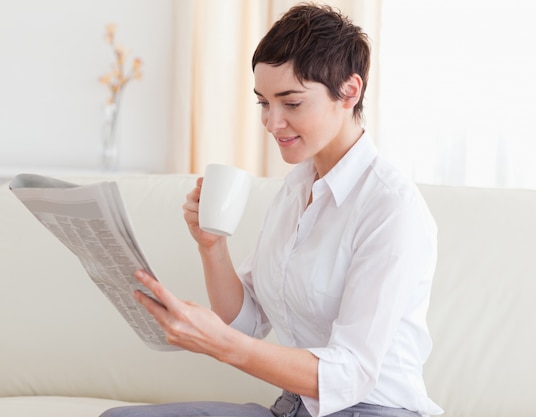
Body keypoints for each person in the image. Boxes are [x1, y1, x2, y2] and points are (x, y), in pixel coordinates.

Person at [101, 3, 443, 417]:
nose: (272, 122)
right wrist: (212, 246)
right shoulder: (296, 188)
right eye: (264, 103)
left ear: (350, 91)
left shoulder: (391, 208)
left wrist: (221, 346)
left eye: (291, 103)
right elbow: (246, 321)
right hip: (291, 408)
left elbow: (350, 373)